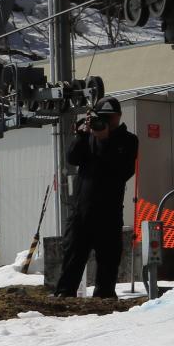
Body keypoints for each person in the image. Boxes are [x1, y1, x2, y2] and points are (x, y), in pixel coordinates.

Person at [53, 96, 138, 299]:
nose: (107, 122)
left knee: (108, 262)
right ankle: (64, 297)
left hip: (109, 213)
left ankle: (104, 300)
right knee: (73, 257)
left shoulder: (129, 140)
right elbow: (72, 159)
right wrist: (82, 136)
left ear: (119, 116)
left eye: (111, 117)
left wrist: (105, 140)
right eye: (103, 117)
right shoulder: (88, 137)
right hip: (81, 212)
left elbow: (123, 171)